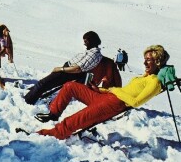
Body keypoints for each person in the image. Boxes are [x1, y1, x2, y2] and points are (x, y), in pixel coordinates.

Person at [36, 45, 169, 140]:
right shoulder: (144, 77)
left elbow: (135, 102)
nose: (145, 62)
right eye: (145, 59)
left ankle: (50, 134)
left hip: (114, 104)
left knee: (76, 119)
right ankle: (53, 114)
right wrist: (100, 89)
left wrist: (114, 90)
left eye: (149, 60)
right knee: (70, 86)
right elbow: (121, 91)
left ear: (157, 62)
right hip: (106, 96)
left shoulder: (155, 82)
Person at [24, 31, 103, 104]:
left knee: (43, 83)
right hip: (69, 70)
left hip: (69, 72)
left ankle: (27, 101)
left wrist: (61, 69)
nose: (84, 44)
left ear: (92, 41)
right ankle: (32, 93)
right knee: (46, 83)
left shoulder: (93, 54)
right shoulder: (92, 51)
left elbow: (77, 69)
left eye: (86, 41)